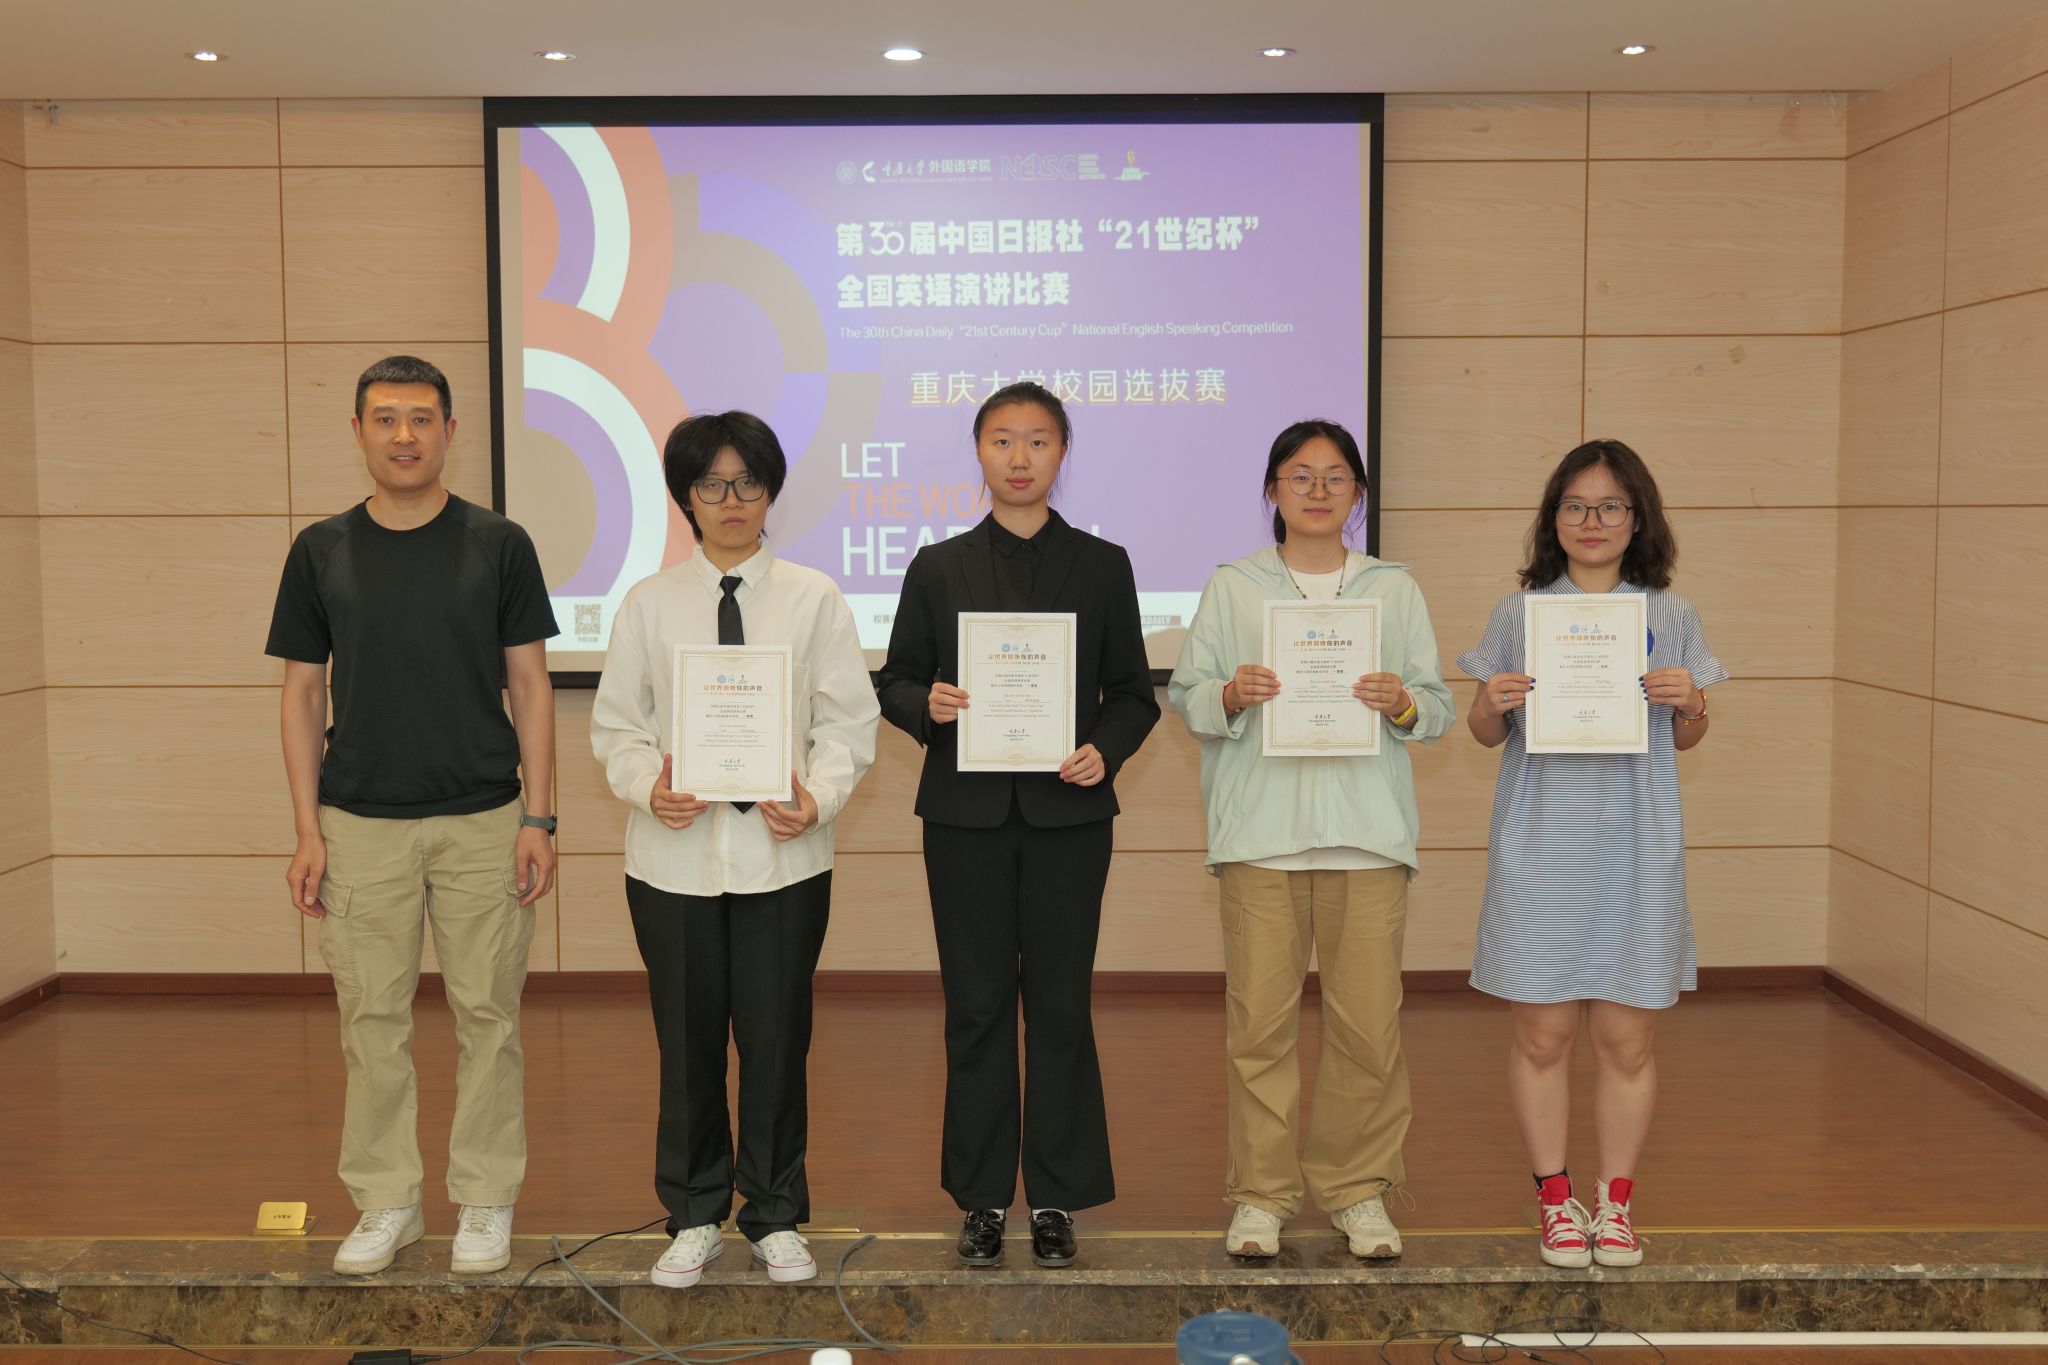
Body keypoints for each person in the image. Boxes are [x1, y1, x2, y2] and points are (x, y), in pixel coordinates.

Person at [266, 355, 558, 1277]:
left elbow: (531, 684)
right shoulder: (321, 549)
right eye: (386, 418)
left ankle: (485, 1201)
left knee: (490, 1018)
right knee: (371, 1019)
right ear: (358, 431)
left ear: (449, 432)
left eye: (422, 418)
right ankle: (387, 1200)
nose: (404, 435)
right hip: (358, 823)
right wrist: (307, 829)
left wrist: (540, 818)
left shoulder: (498, 543)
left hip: (485, 818)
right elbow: (302, 693)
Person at [591, 410, 879, 1289]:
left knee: (776, 1041)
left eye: (748, 482)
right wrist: (647, 786)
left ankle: (776, 1213)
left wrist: (818, 796)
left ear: (770, 492)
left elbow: (848, 722)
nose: (731, 499)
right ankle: (692, 1214)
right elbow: (617, 727)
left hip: (782, 859)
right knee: (686, 1046)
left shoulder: (813, 597)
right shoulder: (648, 603)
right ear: (687, 496)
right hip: (672, 860)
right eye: (712, 484)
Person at [875, 381, 1159, 1269]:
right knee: (978, 1008)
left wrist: (1104, 750)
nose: (1020, 456)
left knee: (1062, 1006)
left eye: (1038, 439)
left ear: (1062, 452)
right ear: (979, 452)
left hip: (1069, 816)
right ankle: (984, 1197)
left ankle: (1058, 1197)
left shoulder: (1103, 564)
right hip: (964, 819)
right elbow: (895, 679)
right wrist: (929, 704)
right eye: (1002, 439)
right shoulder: (938, 566)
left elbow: (1134, 694)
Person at [1167, 419, 1451, 1261]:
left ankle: (1359, 1191)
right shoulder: (1234, 587)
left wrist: (1402, 702)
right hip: (1263, 838)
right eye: (1300, 474)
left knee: (1369, 1031)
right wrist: (1230, 692)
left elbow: (1435, 708)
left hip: (1367, 839)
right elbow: (1187, 695)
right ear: (1273, 490)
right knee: (1260, 1030)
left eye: (1335, 476)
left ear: (1357, 492)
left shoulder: (1393, 589)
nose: (1318, 490)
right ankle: (1261, 1196)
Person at [1458, 438, 1725, 1270]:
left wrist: (1692, 702)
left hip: (1636, 842)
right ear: (1554, 518)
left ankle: (1615, 1206)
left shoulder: (1671, 614)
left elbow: (1688, 735)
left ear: (1637, 518)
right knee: (1542, 1035)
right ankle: (1554, 1200)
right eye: (1575, 505)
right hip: (1541, 841)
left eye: (1611, 505)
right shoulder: (1520, 612)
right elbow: (1483, 730)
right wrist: (1492, 702)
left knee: (1627, 1039)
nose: (1592, 520)